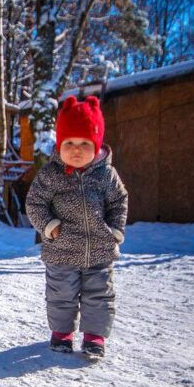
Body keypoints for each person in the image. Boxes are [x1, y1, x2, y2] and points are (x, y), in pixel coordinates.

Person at [25, 95, 128, 359]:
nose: (76, 149)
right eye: (69, 142)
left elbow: (119, 201)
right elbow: (35, 203)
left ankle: (94, 337)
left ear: (97, 144)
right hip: (61, 250)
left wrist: (116, 228)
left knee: (99, 295)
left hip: (100, 249)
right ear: (59, 144)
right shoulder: (51, 174)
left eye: (84, 143)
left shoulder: (107, 175)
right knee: (61, 296)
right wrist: (48, 225)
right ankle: (62, 334)